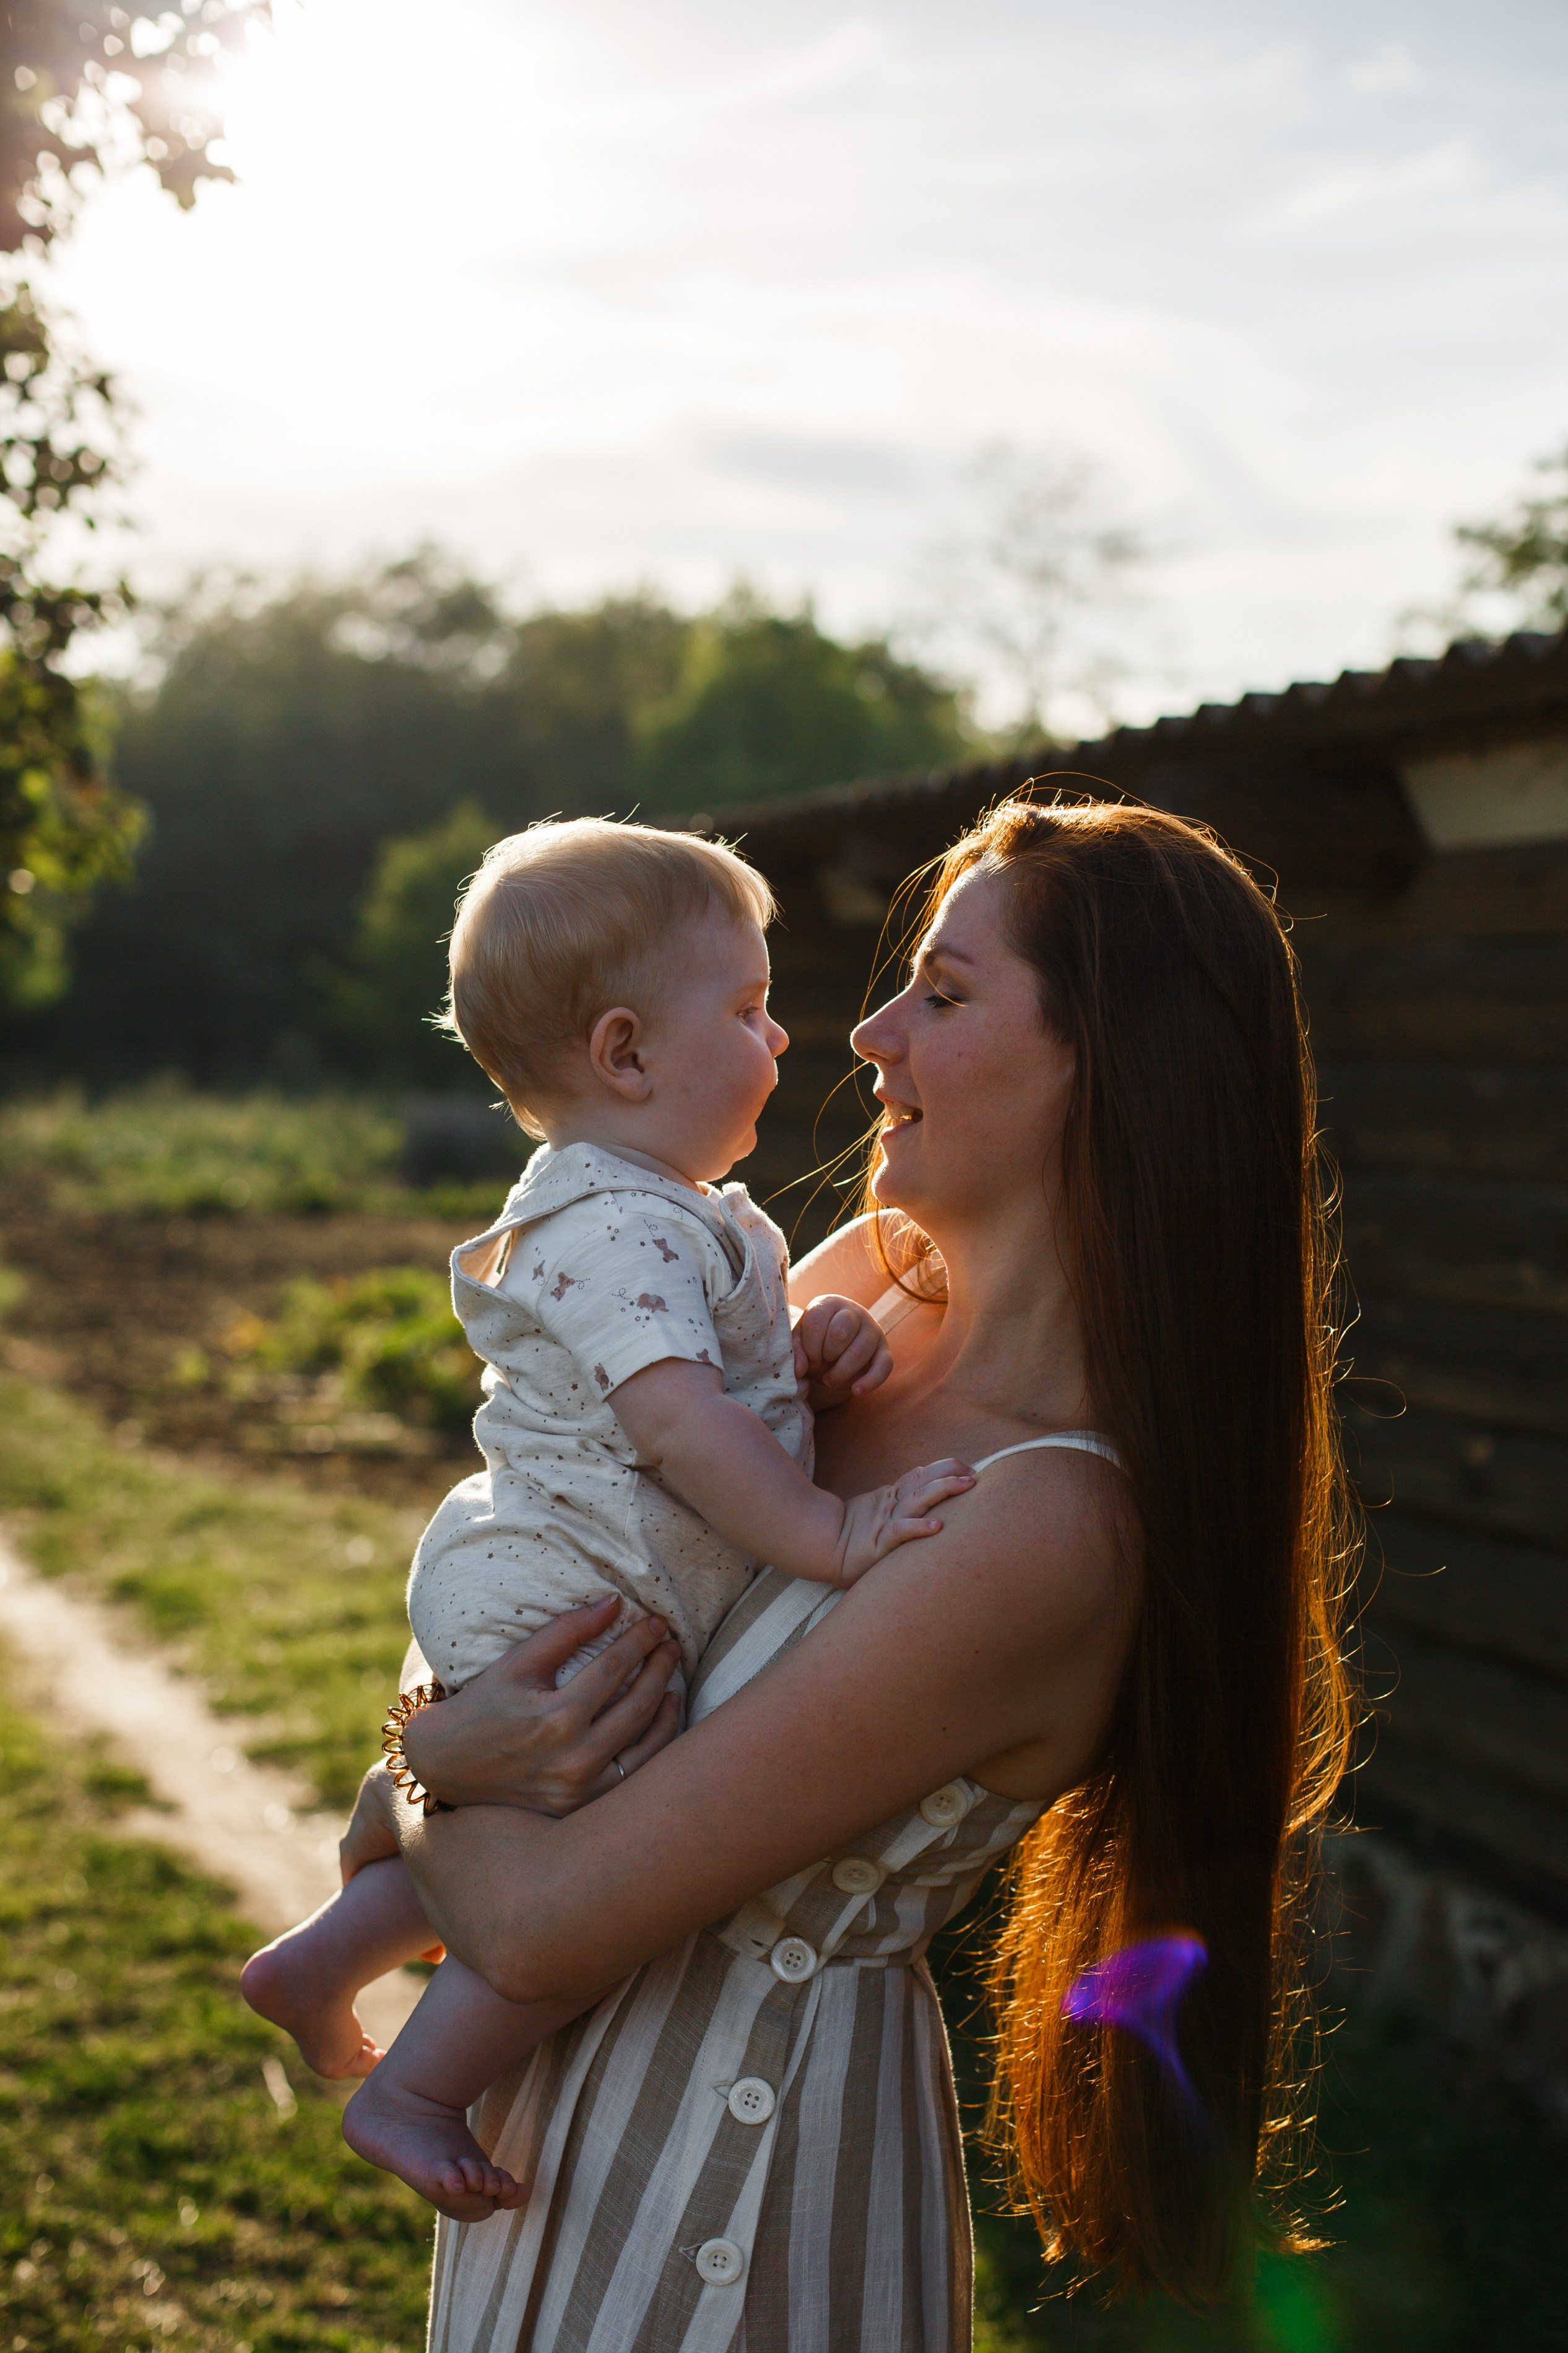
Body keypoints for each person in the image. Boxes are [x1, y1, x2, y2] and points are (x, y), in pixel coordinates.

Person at [337, 796, 1356, 2347]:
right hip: (548, 2153)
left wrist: (428, 1767)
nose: (869, 1034)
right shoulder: (857, 1291)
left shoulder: (1047, 1522)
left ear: (1112, 1066)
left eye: (941, 995)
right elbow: (530, 1564)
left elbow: (531, 1925)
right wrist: (436, 1749)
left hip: (731, 2209)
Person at [240, 816, 972, 2219]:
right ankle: (415, 2089)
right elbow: (679, 1425)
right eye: (748, 1010)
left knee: (551, 1791)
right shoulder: (613, 1225)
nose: (784, 1036)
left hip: (578, 1573)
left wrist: (801, 1360)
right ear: (626, 1053)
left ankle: (323, 1957)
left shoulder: (673, 1214)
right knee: (584, 1856)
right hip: (563, 1582)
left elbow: (715, 1385)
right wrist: (834, 1536)